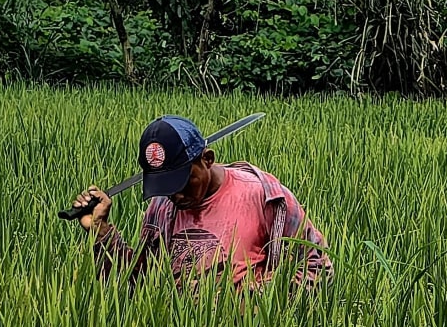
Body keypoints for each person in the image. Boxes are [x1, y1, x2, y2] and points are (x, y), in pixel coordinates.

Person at [70, 115, 331, 289]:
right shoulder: (162, 207)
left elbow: (317, 267)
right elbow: (139, 283)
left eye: (183, 183)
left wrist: (257, 305)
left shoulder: (264, 196)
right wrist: (101, 232)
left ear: (207, 159)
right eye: (166, 187)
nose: (176, 196)